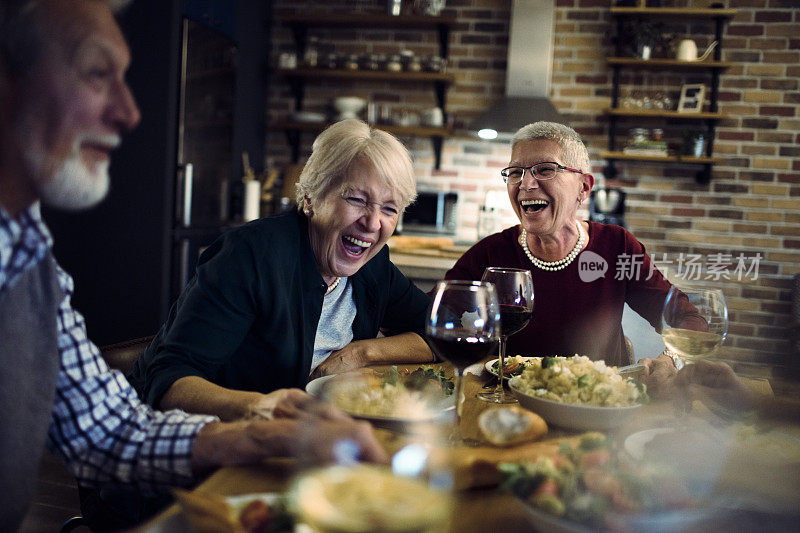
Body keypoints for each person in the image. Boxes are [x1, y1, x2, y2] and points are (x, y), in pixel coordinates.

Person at [0, 1, 385, 530]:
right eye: (95, 74)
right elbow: (167, 378)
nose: (130, 112)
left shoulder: (27, 256)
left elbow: (108, 431)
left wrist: (262, 432)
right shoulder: (255, 252)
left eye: (389, 208)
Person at [128, 118, 433, 420]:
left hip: (305, 438)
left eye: (389, 208)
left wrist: (362, 352)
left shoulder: (373, 266)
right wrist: (268, 410)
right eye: (356, 199)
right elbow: (169, 382)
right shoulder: (250, 256)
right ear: (311, 198)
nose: (372, 222)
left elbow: (442, 330)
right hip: (200, 439)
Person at [444, 121, 678, 385]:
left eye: (545, 169)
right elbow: (431, 314)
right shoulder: (492, 252)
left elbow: (684, 316)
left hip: (599, 401)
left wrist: (671, 360)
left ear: (584, 188)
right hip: (510, 402)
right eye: (515, 172)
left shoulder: (617, 247)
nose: (526, 183)